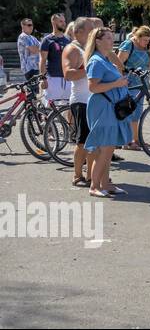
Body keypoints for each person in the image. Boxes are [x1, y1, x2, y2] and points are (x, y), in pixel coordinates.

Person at [84, 25, 130, 197]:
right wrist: (116, 84)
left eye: (112, 37)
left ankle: (105, 183)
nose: (112, 40)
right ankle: (94, 186)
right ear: (98, 41)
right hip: (102, 108)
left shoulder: (104, 59)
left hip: (109, 107)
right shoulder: (96, 61)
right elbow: (93, 87)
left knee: (108, 149)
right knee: (106, 148)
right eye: (108, 38)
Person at [62, 18, 92, 187]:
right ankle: (77, 175)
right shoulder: (72, 49)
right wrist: (89, 68)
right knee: (82, 141)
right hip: (81, 100)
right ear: (78, 32)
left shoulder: (88, 49)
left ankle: (91, 175)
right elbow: (68, 74)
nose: (93, 32)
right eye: (90, 30)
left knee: (92, 141)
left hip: (93, 99)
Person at [115, 26, 150, 149]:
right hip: (129, 84)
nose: (146, 43)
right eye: (145, 40)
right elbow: (118, 64)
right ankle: (127, 141)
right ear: (137, 37)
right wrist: (121, 81)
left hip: (142, 84)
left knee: (136, 114)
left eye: (148, 40)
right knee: (128, 113)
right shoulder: (128, 45)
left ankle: (136, 139)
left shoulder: (146, 47)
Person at [39, 13, 72, 107]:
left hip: (67, 79)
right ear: (53, 22)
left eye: (64, 21)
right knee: (50, 109)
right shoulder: (47, 40)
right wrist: (43, 79)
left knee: (68, 108)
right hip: (53, 79)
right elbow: (42, 61)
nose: (63, 23)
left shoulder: (68, 40)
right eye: (61, 21)